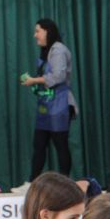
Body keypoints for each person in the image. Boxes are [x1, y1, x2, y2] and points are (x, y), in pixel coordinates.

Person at [15, 19, 76, 192]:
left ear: (47, 31)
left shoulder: (58, 50)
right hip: (46, 104)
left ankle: (66, 185)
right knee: (39, 144)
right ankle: (32, 184)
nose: (35, 35)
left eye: (38, 31)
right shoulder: (46, 51)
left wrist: (34, 80)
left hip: (60, 105)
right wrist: (34, 81)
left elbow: (58, 76)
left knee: (60, 145)